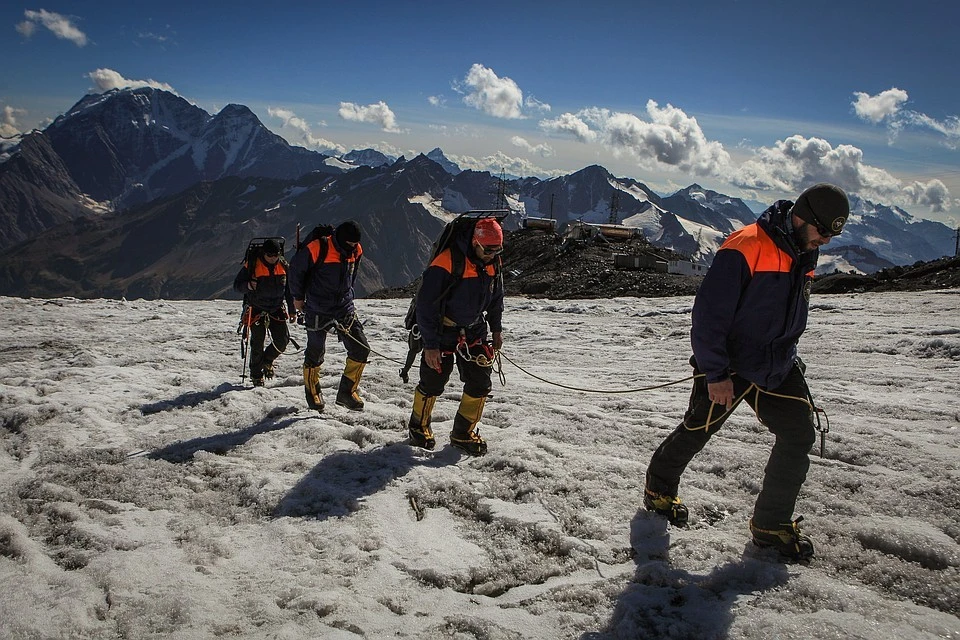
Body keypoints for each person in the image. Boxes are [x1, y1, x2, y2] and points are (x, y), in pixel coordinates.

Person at [643, 183, 850, 560]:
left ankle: (770, 525)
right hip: (729, 366)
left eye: (832, 235)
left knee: (799, 433)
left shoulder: (804, 251)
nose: (826, 241)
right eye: (823, 232)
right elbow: (708, 315)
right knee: (697, 429)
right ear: (803, 218)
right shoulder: (746, 245)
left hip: (775, 366)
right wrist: (716, 373)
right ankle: (659, 491)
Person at [406, 217, 505, 456]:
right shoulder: (447, 262)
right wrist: (430, 345)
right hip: (441, 333)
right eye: (488, 249)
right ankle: (418, 427)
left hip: (474, 331)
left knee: (480, 383)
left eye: (497, 250)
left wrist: (496, 329)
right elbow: (426, 306)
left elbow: (496, 298)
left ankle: (463, 433)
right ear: (475, 242)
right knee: (432, 382)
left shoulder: (492, 263)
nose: (492, 254)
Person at [288, 220, 370, 412]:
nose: (352, 248)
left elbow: (352, 274)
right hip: (317, 308)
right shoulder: (318, 247)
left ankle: (346, 392)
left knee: (361, 349)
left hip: (343, 308)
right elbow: (296, 271)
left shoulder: (356, 250)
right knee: (315, 353)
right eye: (348, 244)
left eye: (354, 244)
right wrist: (298, 299)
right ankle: (313, 392)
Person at [233, 238, 296, 387]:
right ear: (264, 254)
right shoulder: (252, 265)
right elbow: (237, 286)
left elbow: (288, 290)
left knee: (282, 340)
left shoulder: (283, 266)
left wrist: (292, 310)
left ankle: (267, 361)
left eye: (276, 255)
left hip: (276, 308)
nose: (273, 258)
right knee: (257, 344)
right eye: (270, 256)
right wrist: (248, 285)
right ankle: (256, 375)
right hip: (256, 309)